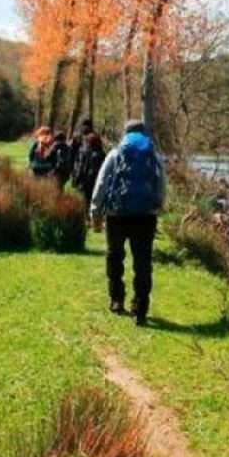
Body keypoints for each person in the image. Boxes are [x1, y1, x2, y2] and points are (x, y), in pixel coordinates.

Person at [90, 120, 166, 327]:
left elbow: (101, 183)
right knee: (142, 262)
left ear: (125, 134)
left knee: (115, 256)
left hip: (117, 215)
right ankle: (140, 308)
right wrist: (158, 205)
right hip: (146, 216)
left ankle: (116, 299)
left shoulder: (115, 154)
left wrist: (95, 212)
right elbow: (161, 183)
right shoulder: (154, 156)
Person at [71, 118, 106, 215]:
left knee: (85, 196)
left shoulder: (78, 137)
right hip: (94, 175)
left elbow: (74, 155)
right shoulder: (96, 139)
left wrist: (75, 176)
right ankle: (92, 214)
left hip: (84, 173)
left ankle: (87, 215)